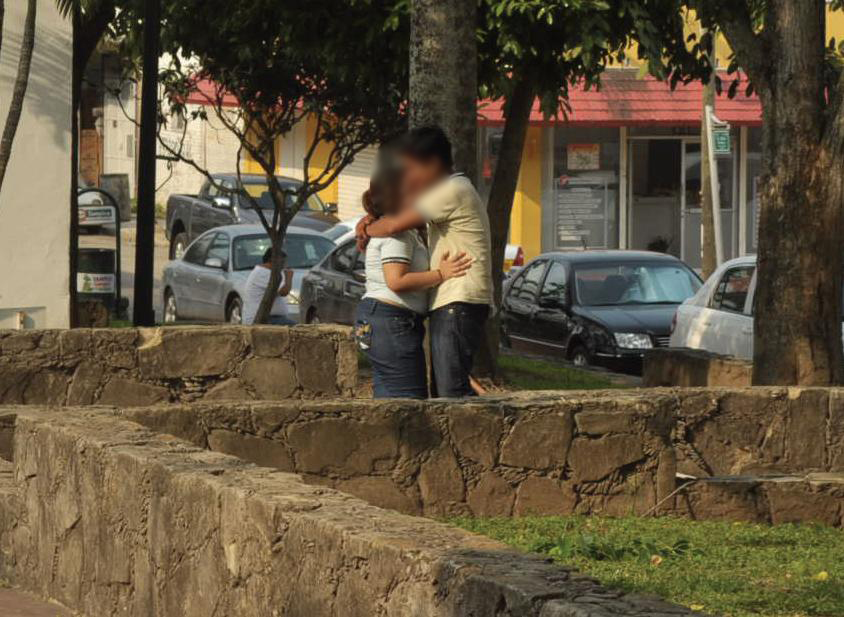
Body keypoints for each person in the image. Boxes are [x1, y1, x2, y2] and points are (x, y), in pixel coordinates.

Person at [357, 126, 493, 397]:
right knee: (444, 389)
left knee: (449, 393)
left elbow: (395, 224)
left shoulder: (452, 189)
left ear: (431, 164)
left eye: (412, 169)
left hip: (459, 298)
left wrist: (364, 230)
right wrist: (371, 221)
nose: (411, 178)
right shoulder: (450, 190)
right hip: (451, 300)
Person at [242, 248, 295, 326]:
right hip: (263, 319)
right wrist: (289, 277)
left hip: (270, 318)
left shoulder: (264, 271)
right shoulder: (263, 273)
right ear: (273, 260)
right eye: (283, 262)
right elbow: (284, 292)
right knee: (299, 330)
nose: (284, 266)